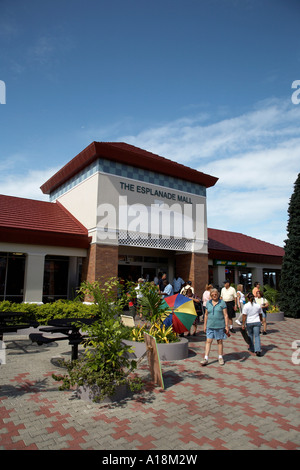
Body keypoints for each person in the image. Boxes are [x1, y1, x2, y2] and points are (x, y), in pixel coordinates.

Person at [201, 288, 229, 366]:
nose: (214, 295)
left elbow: (226, 315)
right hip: (210, 325)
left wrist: (227, 326)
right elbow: (206, 315)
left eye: (215, 294)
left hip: (220, 326)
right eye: (212, 294)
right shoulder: (208, 303)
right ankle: (205, 358)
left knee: (219, 341)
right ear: (210, 295)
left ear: (218, 294)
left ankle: (220, 357)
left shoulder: (222, 303)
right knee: (208, 341)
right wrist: (205, 325)